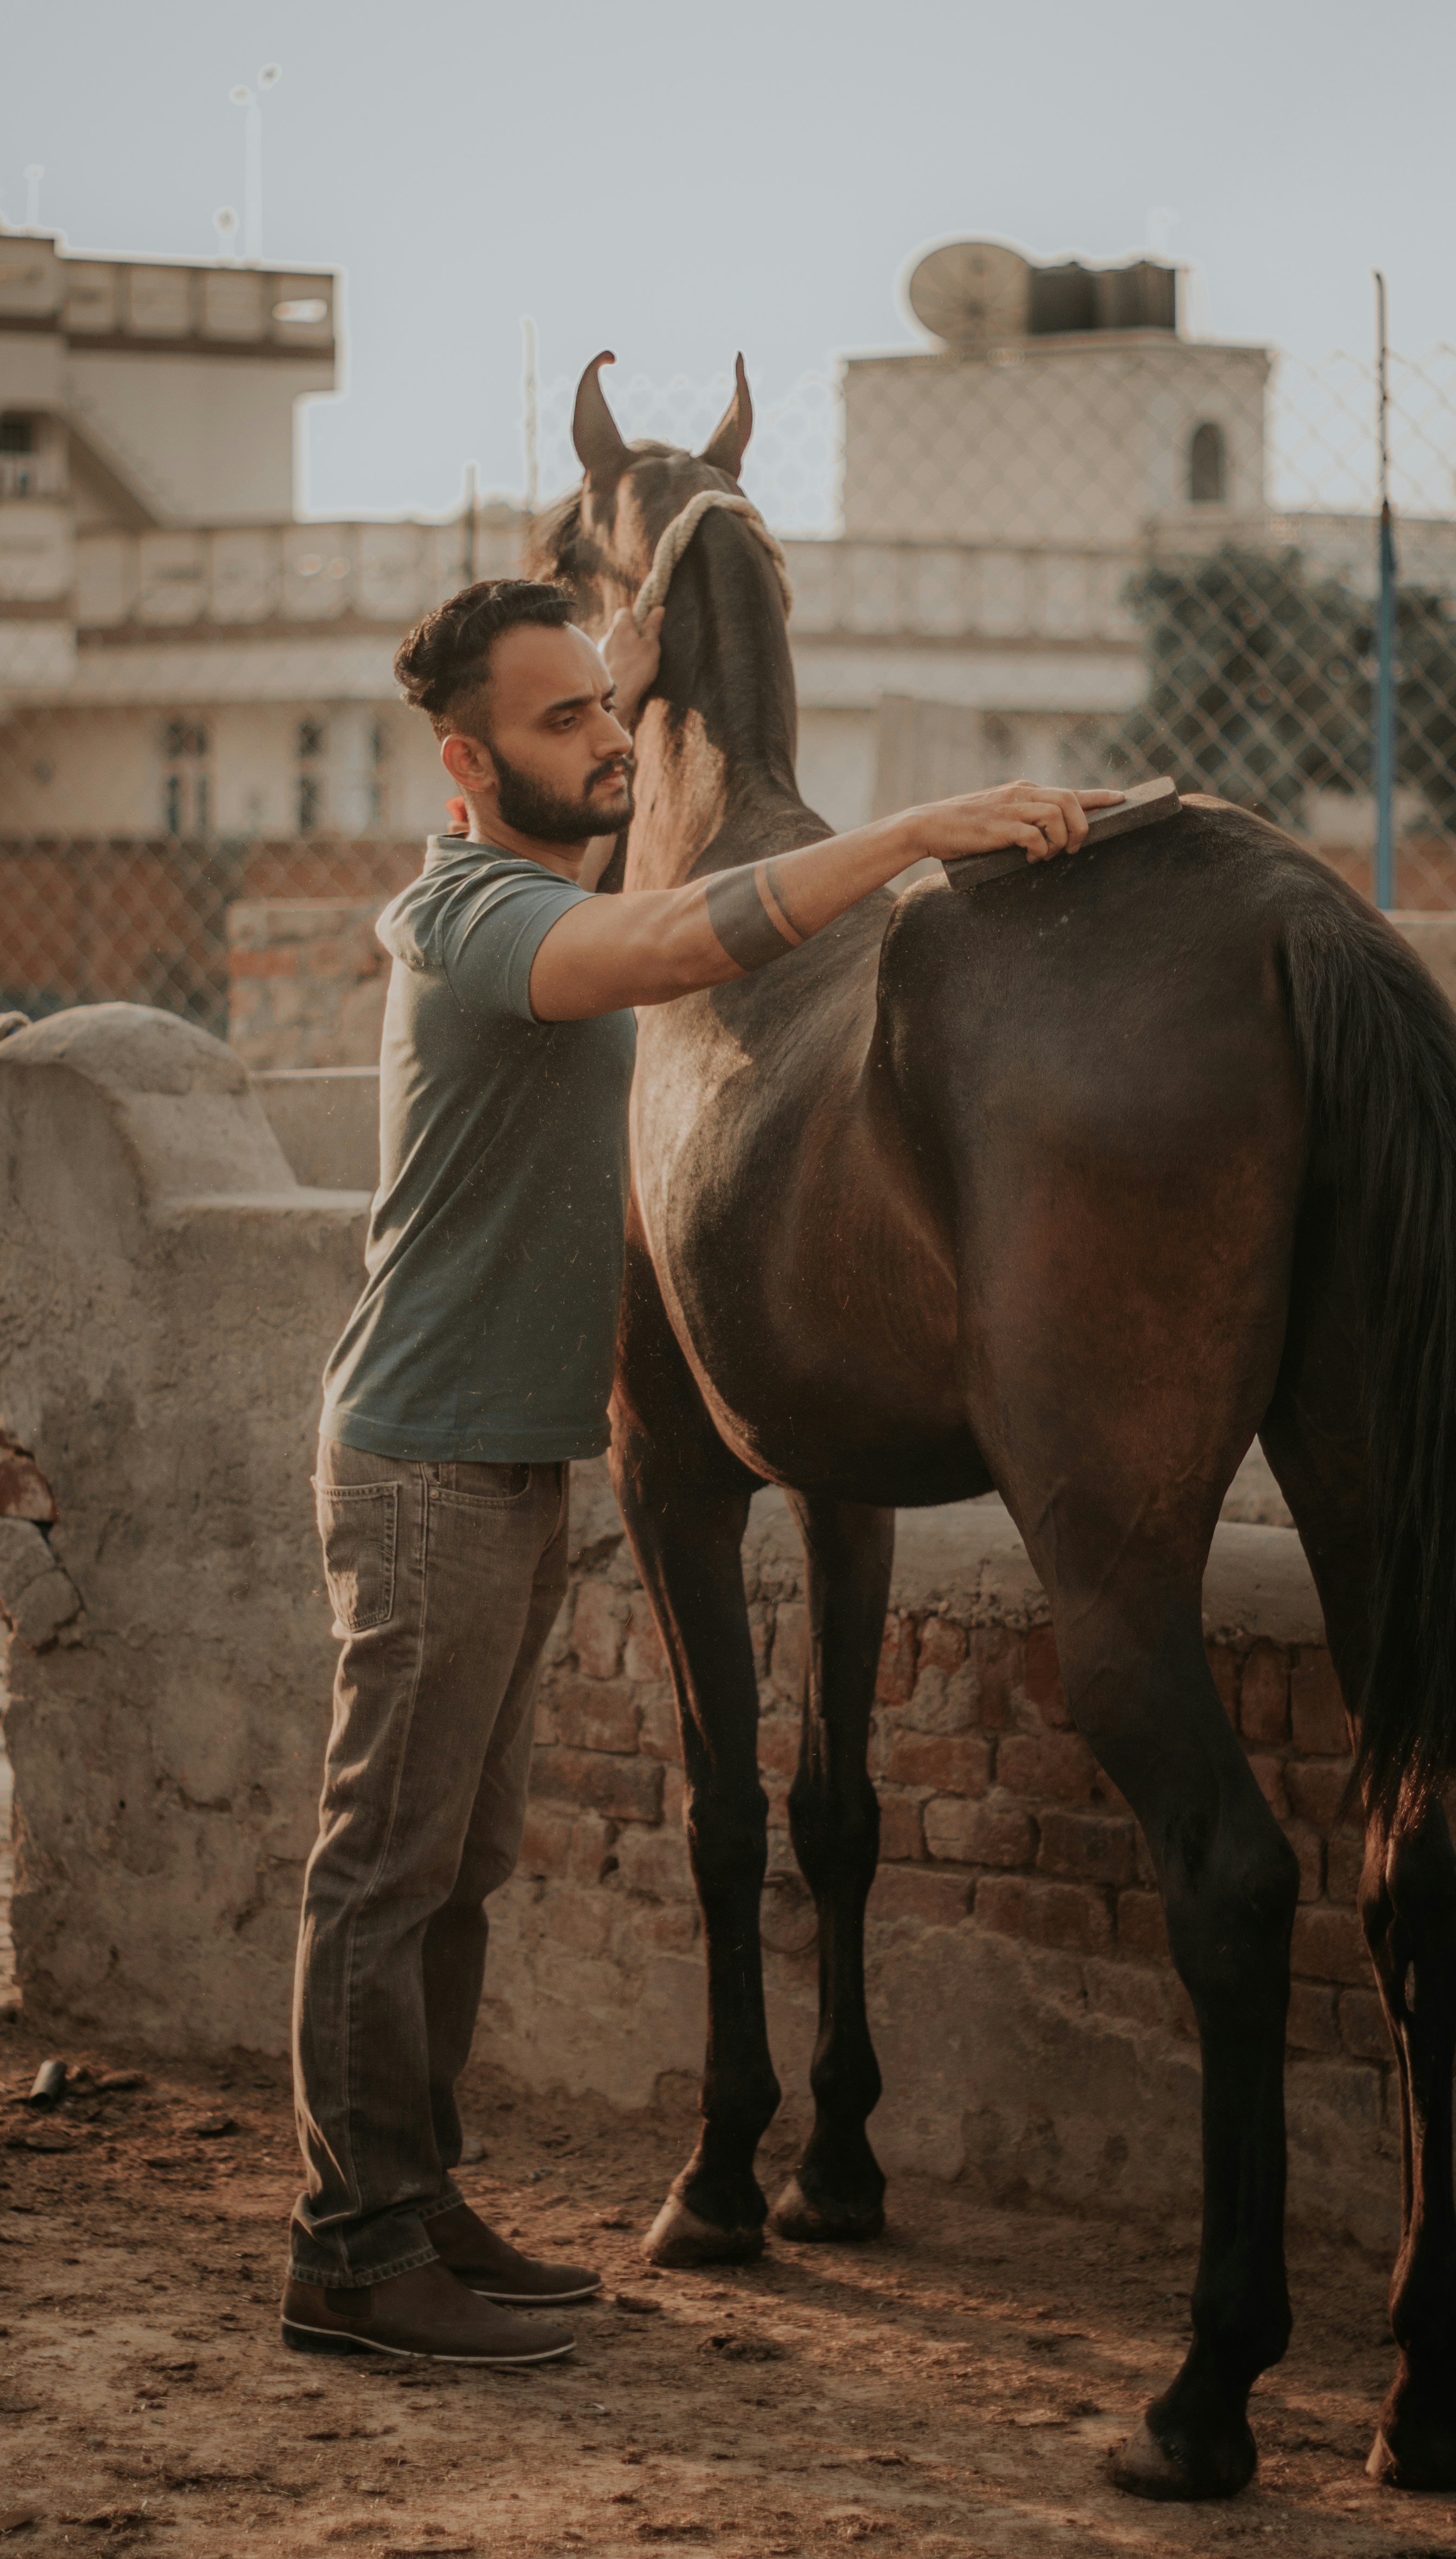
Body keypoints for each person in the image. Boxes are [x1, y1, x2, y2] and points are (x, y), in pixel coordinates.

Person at [281, 574, 1119, 2367]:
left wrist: (682, 694)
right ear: (462, 759)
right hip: (421, 1463)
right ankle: (352, 2250)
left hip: (506, 1464)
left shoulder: (557, 887)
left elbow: (678, 901)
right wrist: (909, 835)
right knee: (386, 1865)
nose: (602, 739)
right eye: (558, 718)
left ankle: (416, 2200)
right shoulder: (470, 921)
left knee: (465, 1863)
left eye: (608, 707)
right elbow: (680, 950)